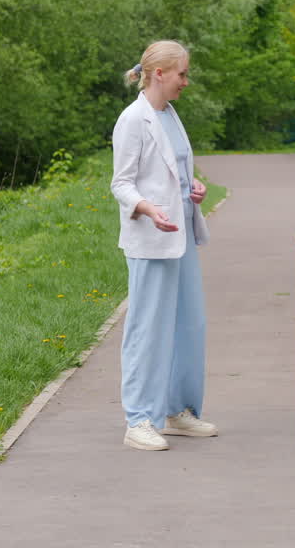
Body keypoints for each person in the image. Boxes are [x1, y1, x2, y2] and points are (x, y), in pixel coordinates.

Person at [110, 40, 217, 451]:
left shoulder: (170, 114)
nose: (185, 82)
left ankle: (178, 410)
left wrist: (194, 187)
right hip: (152, 238)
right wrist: (147, 208)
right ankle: (138, 419)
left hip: (182, 234)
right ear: (159, 74)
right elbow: (121, 182)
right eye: (182, 74)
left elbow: (177, 169)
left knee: (190, 325)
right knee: (147, 329)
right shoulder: (133, 119)